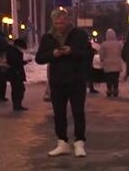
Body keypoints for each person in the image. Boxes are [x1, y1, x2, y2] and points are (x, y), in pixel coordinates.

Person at [36, 9, 92, 157]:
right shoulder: (48, 37)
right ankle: (62, 142)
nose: (59, 26)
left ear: (68, 21)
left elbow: (88, 53)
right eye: (56, 23)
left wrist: (71, 51)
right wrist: (53, 54)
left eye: (62, 22)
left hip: (76, 80)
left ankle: (79, 142)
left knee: (78, 112)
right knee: (59, 113)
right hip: (57, 81)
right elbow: (39, 58)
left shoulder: (78, 34)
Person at [4, 38, 29, 111]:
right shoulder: (13, 52)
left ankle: (17, 104)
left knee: (18, 89)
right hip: (15, 74)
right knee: (18, 90)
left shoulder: (13, 51)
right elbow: (15, 62)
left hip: (16, 73)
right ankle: (17, 105)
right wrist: (23, 62)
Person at [97, 29, 123, 98]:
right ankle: (115, 90)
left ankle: (109, 90)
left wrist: (102, 60)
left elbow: (101, 54)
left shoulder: (104, 44)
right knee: (115, 78)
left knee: (108, 78)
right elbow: (121, 53)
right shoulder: (118, 44)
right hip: (117, 63)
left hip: (107, 63)